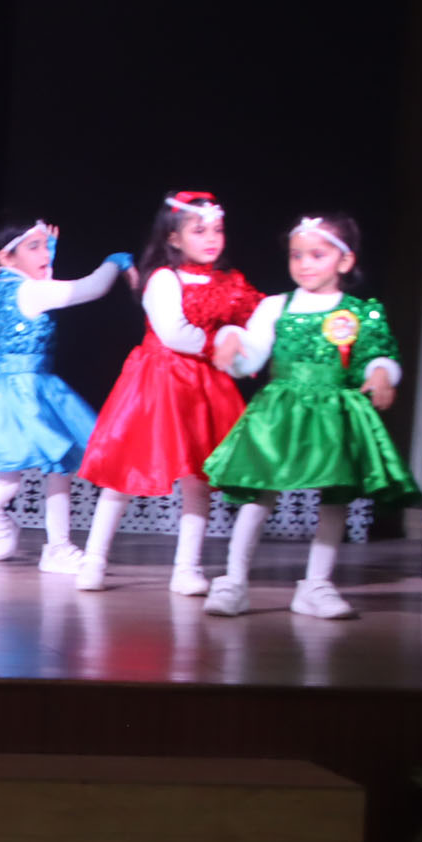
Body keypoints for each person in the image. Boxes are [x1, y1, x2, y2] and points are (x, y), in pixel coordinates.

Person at [202, 215, 418, 619]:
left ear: (344, 261)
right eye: (296, 255)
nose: (304, 264)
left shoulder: (360, 312)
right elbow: (253, 353)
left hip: (334, 412)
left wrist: (381, 374)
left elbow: (378, 353)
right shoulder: (275, 306)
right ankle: (233, 581)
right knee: (259, 492)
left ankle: (316, 584)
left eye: (317, 255)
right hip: (280, 411)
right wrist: (234, 345)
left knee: (335, 497)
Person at [74, 192, 262, 593]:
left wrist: (245, 340)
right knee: (126, 472)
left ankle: (187, 567)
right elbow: (173, 332)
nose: (211, 238)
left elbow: (256, 317)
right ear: (174, 238)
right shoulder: (164, 278)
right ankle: (94, 558)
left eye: (217, 230)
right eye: (199, 231)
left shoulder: (231, 282)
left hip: (205, 387)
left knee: (199, 478)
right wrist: (219, 343)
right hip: (159, 383)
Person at [0, 217, 132, 573]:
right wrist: (115, 262)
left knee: (59, 466)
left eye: (46, 245)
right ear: (6, 257)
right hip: (21, 394)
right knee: (9, 480)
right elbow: (90, 288)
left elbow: (41, 285)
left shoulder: (6, 283)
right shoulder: (30, 291)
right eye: (34, 247)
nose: (44, 253)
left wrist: (44, 260)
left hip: (23, 388)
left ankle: (58, 547)